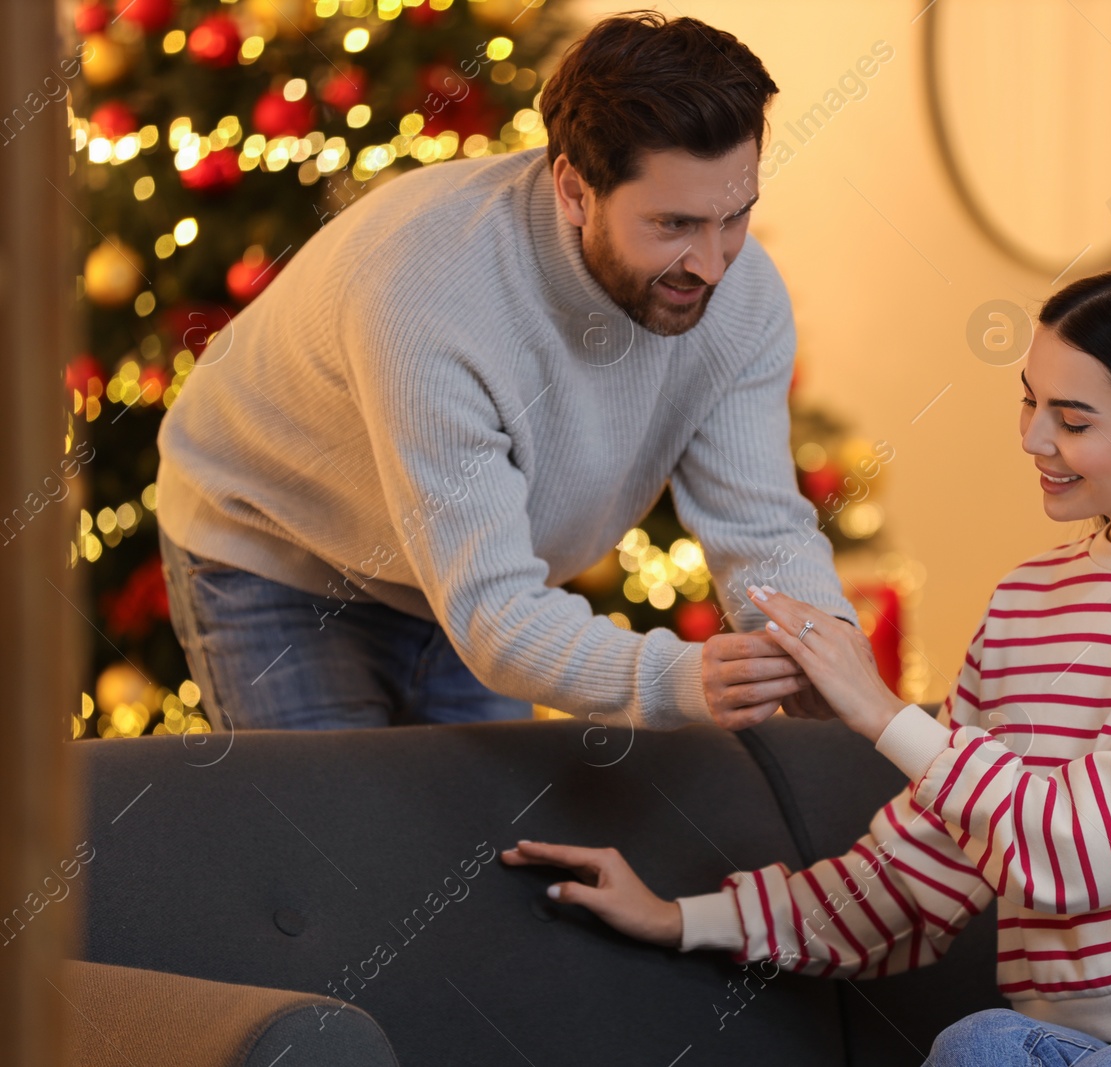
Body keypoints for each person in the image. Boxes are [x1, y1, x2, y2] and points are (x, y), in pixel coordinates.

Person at [499, 265, 1111, 1066]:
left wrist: (889, 716)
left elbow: (1105, 847)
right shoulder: (1027, 604)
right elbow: (917, 873)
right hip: (1071, 1045)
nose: (1033, 439)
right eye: (1028, 400)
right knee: (980, 1044)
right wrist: (680, 916)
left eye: (1073, 418)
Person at [155, 13, 857, 732]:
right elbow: (494, 615)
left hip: (484, 579)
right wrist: (681, 678)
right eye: (673, 225)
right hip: (278, 553)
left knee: (488, 842)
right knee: (344, 838)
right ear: (576, 191)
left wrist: (822, 641)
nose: (711, 265)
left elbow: (762, 524)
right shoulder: (430, 295)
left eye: (733, 216)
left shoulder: (743, 297)